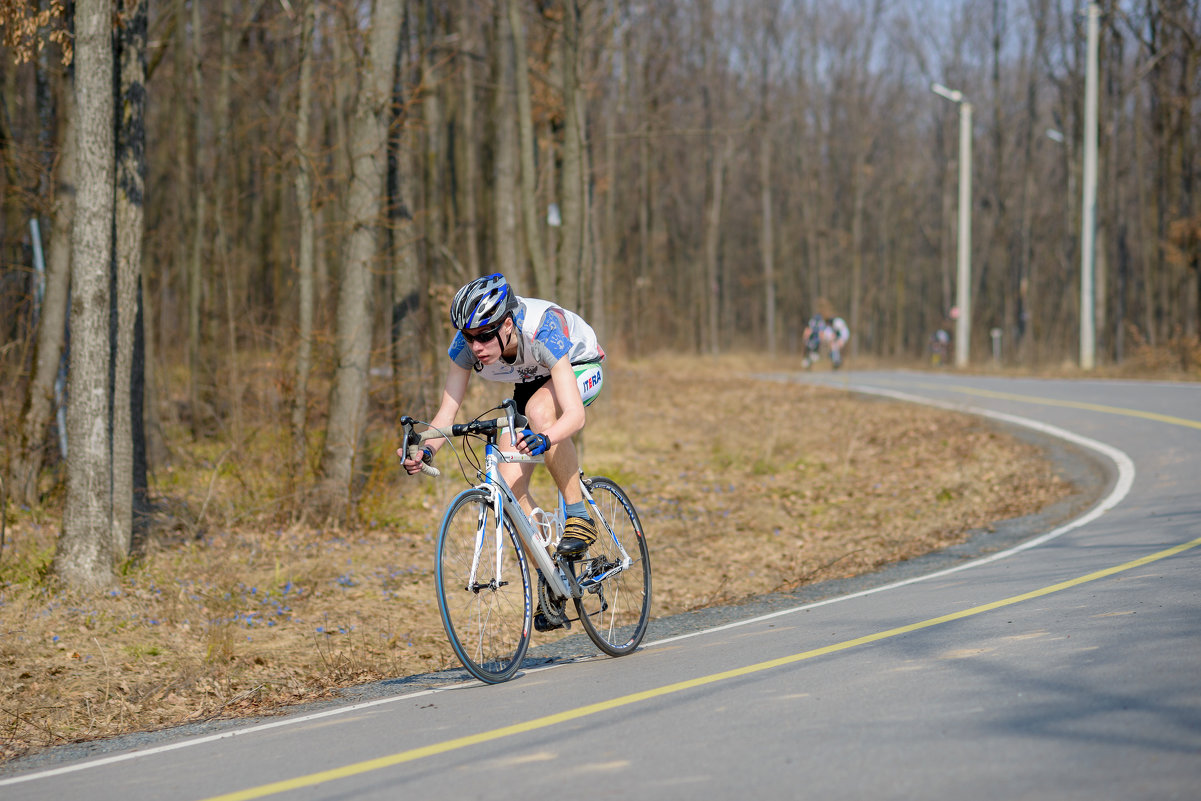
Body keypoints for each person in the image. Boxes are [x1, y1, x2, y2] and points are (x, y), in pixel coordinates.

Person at [399, 273, 605, 567]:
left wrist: (545, 438)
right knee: (508, 488)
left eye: (484, 335)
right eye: (468, 337)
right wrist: (426, 451)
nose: (476, 346)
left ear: (507, 324)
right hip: (532, 380)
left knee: (539, 411)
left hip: (578, 365)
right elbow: (447, 412)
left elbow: (575, 415)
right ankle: (552, 585)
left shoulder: (542, 330)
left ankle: (579, 516)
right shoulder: (465, 346)